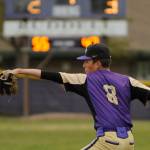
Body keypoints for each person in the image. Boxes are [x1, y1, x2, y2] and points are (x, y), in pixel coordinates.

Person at [8, 44, 150, 150]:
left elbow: (48, 74)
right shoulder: (128, 80)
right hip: (129, 142)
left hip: (108, 142)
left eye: (87, 61)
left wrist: (19, 70)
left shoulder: (86, 79)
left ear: (98, 62)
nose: (83, 65)